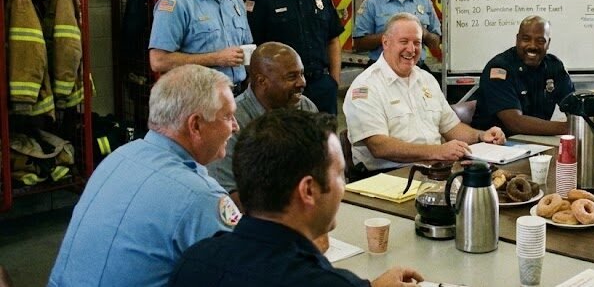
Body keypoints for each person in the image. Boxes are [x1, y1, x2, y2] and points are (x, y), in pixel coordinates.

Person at [169, 109, 423, 287]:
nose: (343, 186)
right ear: (308, 190)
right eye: (339, 174)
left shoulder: (193, 261)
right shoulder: (322, 281)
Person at [48, 65, 240, 287]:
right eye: (228, 116)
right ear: (195, 125)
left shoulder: (119, 157)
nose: (235, 126)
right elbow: (243, 273)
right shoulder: (201, 197)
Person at [344, 13, 505, 176]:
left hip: (433, 171)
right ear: (385, 42)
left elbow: (452, 127)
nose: (411, 49)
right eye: (404, 42)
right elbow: (379, 146)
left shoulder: (426, 79)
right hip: (386, 176)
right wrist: (437, 151)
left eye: (417, 43)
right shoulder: (366, 86)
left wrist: (481, 135)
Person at [209, 42, 318, 210]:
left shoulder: (306, 108)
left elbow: (324, 169)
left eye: (302, 74)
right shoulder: (232, 123)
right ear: (262, 81)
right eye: (291, 77)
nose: (301, 82)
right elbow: (228, 198)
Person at [246, 0, 343, 114]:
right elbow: (254, 50)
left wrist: (334, 80)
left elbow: (333, 39)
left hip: (321, 87)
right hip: (283, 92)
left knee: (326, 140)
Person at [471, 16, 575, 136]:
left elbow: (573, 107)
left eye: (540, 41)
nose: (532, 46)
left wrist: (583, 121)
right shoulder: (500, 68)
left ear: (548, 43)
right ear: (517, 39)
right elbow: (515, 123)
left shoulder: (554, 66)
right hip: (495, 145)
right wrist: (570, 127)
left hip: (535, 142)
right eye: (526, 39)